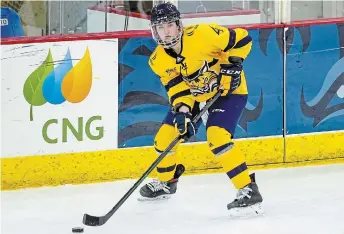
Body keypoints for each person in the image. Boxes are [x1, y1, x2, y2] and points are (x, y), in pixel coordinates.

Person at [139, 2, 263, 215]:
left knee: (217, 137)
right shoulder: (157, 60)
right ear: (154, 31)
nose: (166, 32)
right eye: (160, 27)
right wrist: (184, 113)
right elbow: (178, 89)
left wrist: (233, 64)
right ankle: (167, 181)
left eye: (169, 25)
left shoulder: (203, 35)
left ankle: (248, 189)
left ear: (179, 25)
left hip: (228, 91)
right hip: (195, 96)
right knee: (164, 138)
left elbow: (243, 38)